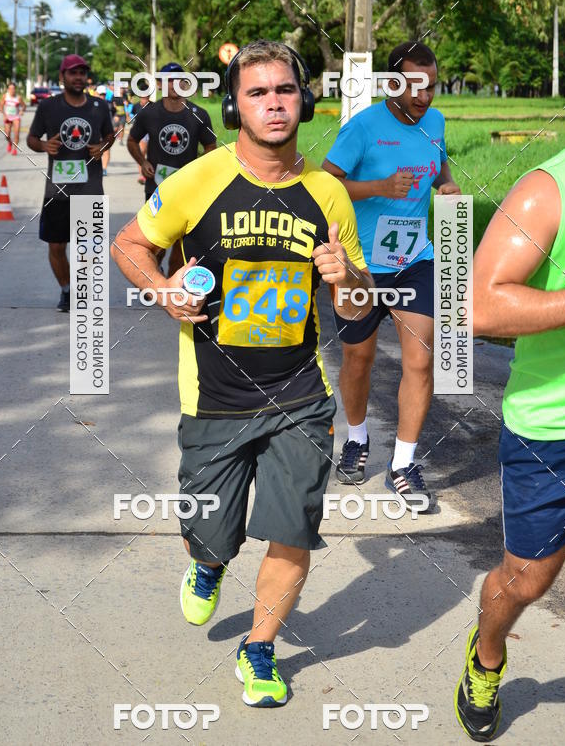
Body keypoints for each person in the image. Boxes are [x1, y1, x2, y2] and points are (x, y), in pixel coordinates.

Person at [112, 40, 374, 708]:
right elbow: (130, 245)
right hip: (215, 395)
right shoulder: (199, 180)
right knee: (212, 531)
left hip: (300, 394)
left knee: (292, 527)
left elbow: (357, 302)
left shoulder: (327, 194)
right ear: (234, 106)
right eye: (257, 93)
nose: (275, 104)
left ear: (305, 98)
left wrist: (349, 281)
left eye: (285, 90)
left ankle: (258, 649)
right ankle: (207, 563)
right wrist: (162, 288)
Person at [454, 144, 565, 741]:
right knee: (528, 579)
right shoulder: (548, 190)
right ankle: (488, 655)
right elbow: (479, 305)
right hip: (555, 428)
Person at [322, 41, 461, 506]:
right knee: (358, 360)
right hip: (361, 268)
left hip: (415, 261)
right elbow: (327, 184)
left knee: (420, 361)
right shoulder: (362, 128)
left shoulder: (436, 123)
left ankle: (402, 464)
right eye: (414, 86)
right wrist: (378, 187)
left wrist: (445, 182)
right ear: (392, 83)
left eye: (432, 87)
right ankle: (357, 439)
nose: (424, 98)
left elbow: (439, 162)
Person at [27, 54, 114, 311]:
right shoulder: (48, 107)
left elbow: (110, 135)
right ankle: (67, 290)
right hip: (58, 191)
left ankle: (84, 291)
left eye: (82, 73)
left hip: (90, 189)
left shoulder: (99, 106)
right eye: (72, 73)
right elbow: (32, 138)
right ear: (62, 76)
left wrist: (102, 146)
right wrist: (43, 145)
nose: (78, 77)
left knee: (88, 249)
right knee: (56, 245)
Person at [126, 62, 217, 276]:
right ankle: (154, 279)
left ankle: (173, 284)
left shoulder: (199, 114)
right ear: (159, 84)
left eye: (179, 80)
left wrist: (197, 170)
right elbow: (132, 141)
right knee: (155, 243)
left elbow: (211, 147)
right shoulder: (149, 113)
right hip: (156, 188)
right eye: (168, 80)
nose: (174, 85)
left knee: (181, 245)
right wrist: (143, 162)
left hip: (188, 191)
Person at [0, 83, 25, 155]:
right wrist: (4, 115)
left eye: (13, 88)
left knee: (16, 134)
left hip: (16, 117)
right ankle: (10, 142)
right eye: (10, 88)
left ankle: (14, 149)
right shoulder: (5, 96)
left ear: (15, 89)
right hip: (7, 117)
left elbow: (24, 106)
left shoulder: (18, 97)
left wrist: (22, 111)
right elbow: (1, 106)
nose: (12, 90)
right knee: (7, 134)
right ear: (8, 89)